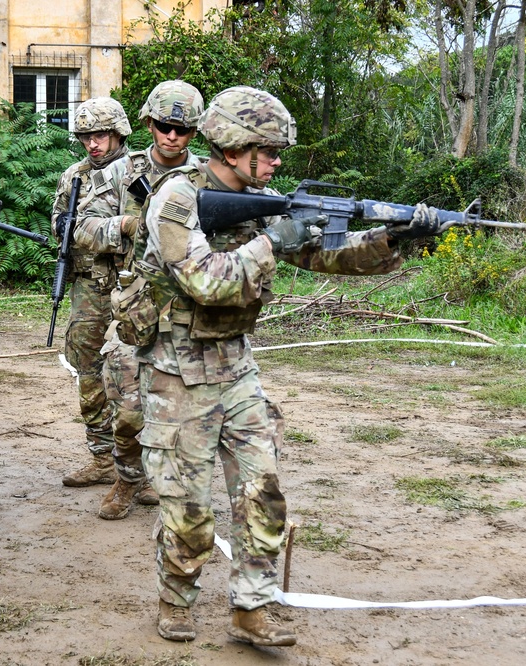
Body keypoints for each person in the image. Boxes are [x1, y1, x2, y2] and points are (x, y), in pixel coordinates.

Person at [133, 86, 440, 644]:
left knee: (262, 493)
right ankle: (176, 600)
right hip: (176, 373)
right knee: (188, 507)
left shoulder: (265, 198)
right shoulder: (177, 199)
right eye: (269, 151)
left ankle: (252, 608)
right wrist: (272, 240)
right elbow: (205, 281)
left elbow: (327, 255)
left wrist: (393, 237)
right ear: (233, 147)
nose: (277, 162)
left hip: (236, 367)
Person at [77, 80, 205, 519]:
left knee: (188, 407)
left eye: (183, 129)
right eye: (165, 126)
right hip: (135, 309)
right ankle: (127, 478)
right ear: (149, 123)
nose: (172, 136)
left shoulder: (208, 177)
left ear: (195, 132)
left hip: (191, 308)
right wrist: (125, 227)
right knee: (129, 409)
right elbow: (81, 229)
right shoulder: (119, 173)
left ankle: (167, 478)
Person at [51, 97, 132, 488]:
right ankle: (103, 458)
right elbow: (58, 223)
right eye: (86, 137)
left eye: (100, 135)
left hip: (130, 285)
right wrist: (66, 224)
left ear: (118, 132)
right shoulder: (74, 175)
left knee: (133, 377)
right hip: (88, 287)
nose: (92, 144)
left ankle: (139, 469)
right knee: (87, 372)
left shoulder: (141, 170)